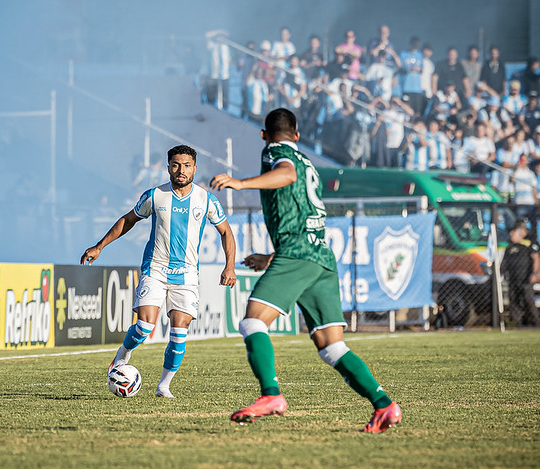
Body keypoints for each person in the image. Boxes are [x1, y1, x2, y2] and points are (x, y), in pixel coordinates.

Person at [209, 108, 402, 432]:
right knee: (332, 347)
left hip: (300, 254)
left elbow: (286, 174)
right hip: (319, 256)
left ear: (263, 135)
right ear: (298, 135)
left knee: (253, 321)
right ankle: (385, 406)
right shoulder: (308, 162)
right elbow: (300, 209)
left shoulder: (276, 152)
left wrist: (241, 184)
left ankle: (271, 395)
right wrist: (274, 257)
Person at [81, 145, 237, 398]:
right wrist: (100, 247)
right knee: (144, 326)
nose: (181, 170)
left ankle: (163, 386)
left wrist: (229, 266)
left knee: (179, 333)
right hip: (155, 269)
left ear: (194, 168)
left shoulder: (206, 199)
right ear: (168, 168)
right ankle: (123, 355)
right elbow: (128, 220)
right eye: (176, 165)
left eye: (186, 165)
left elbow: (226, 232)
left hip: (186, 275)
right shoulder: (155, 195)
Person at [501, 221, 540, 327]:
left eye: (512, 232)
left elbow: (536, 259)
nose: (510, 234)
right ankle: (517, 323)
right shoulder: (509, 247)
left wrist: (534, 273)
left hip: (526, 278)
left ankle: (535, 322)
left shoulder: (528, 244)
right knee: (514, 301)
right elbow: (504, 263)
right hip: (513, 279)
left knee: (528, 299)